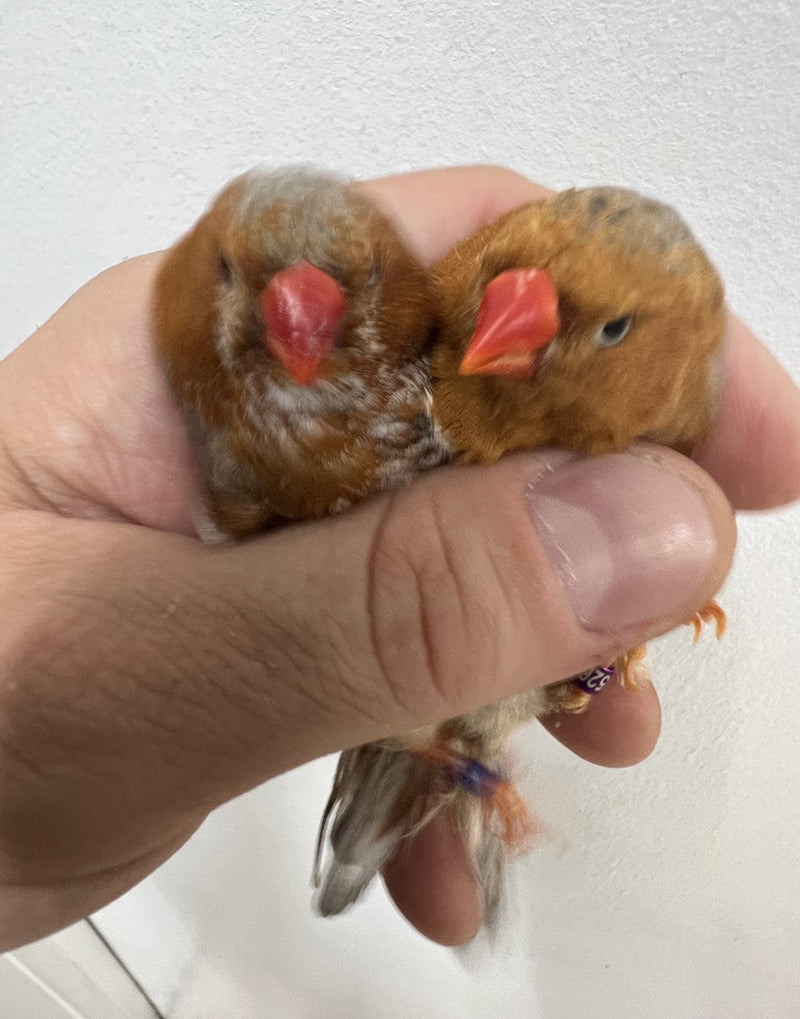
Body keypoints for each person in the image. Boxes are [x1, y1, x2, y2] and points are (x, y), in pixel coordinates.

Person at [0, 167, 797, 951]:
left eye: (608, 330)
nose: (495, 330)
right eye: (496, 281)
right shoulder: (416, 397)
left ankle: (486, 748)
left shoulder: (660, 400)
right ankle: (450, 763)